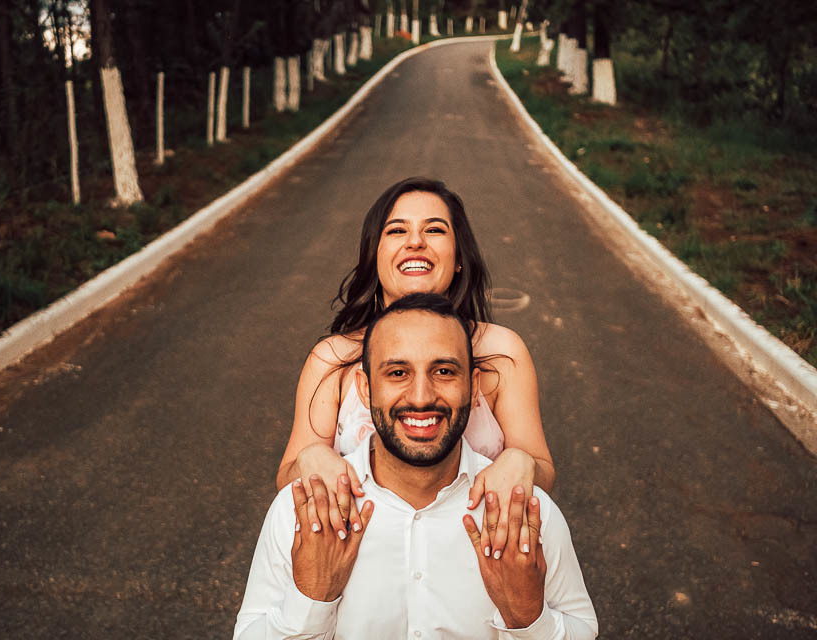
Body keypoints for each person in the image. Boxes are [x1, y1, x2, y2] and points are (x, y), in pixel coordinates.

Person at [236, 294, 597, 639]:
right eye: (397, 373)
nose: (421, 397)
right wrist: (311, 596)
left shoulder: (525, 511)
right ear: (365, 389)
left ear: (473, 388)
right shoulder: (301, 509)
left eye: (443, 371)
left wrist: (527, 617)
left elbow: (581, 626)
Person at [277, 177, 554, 557]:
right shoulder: (333, 359)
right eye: (396, 230)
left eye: (435, 229)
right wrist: (309, 459)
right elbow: (288, 475)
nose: (415, 241)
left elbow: (541, 469)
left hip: (477, 558)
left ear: (458, 258)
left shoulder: (501, 353)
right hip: (359, 561)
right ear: (375, 255)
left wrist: (520, 462)